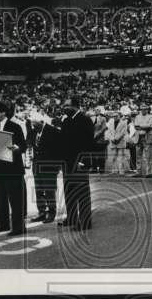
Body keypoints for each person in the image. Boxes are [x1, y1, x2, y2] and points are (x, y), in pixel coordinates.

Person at [0, 102, 28, 236]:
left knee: (15, 199)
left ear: (3, 112)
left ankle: (18, 227)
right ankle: (2, 224)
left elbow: (23, 146)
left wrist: (12, 148)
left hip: (12, 168)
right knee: (1, 198)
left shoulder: (14, 126)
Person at [59, 96, 94, 231]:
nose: (65, 108)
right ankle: (72, 218)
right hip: (67, 162)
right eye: (64, 106)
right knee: (69, 191)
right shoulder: (67, 120)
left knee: (82, 192)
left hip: (79, 162)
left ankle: (85, 221)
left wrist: (83, 161)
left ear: (76, 106)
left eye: (67, 106)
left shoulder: (85, 120)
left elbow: (88, 143)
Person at [29, 110, 62, 223]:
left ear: (42, 122)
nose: (33, 126)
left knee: (49, 190)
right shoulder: (33, 131)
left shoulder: (53, 131)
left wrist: (57, 166)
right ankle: (42, 211)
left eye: (35, 124)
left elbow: (59, 150)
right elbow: (31, 145)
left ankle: (51, 212)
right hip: (37, 165)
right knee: (39, 190)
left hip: (49, 166)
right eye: (32, 123)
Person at [133, 104, 152, 176]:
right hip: (139, 137)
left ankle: (149, 172)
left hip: (147, 137)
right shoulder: (137, 116)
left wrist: (141, 126)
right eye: (142, 109)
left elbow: (150, 126)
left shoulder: (151, 116)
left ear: (147, 110)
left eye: (145, 109)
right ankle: (138, 172)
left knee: (148, 156)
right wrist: (145, 126)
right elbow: (136, 126)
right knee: (138, 156)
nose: (143, 110)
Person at [105, 108, 129, 174]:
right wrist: (112, 138)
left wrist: (117, 139)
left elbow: (123, 132)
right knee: (113, 157)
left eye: (116, 116)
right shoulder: (110, 122)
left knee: (121, 157)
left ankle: (121, 171)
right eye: (114, 116)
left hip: (120, 141)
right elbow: (109, 131)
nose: (115, 117)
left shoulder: (124, 122)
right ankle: (114, 171)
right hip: (113, 141)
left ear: (119, 116)